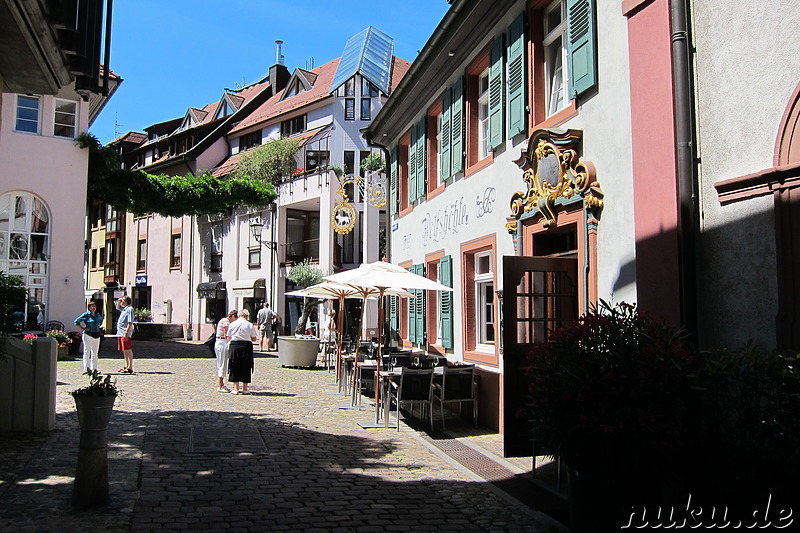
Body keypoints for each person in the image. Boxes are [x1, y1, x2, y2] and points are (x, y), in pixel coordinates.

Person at [226, 308, 258, 395]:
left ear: (239, 315)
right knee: (246, 366)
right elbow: (254, 338)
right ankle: (245, 388)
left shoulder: (233, 324)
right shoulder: (249, 325)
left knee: (234, 365)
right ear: (247, 316)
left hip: (234, 346)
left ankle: (235, 388)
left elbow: (228, 336)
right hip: (246, 346)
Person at [74, 300, 104, 374]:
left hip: (96, 335)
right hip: (88, 334)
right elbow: (76, 321)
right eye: (92, 306)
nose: (93, 308)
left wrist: (100, 327)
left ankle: (94, 368)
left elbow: (101, 321)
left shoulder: (97, 315)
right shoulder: (86, 315)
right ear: (89, 308)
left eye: (94, 306)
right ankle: (86, 368)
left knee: (95, 352)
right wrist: (83, 328)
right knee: (87, 351)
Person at [214, 309, 237, 393]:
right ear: (233, 316)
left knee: (221, 363)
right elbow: (226, 335)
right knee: (222, 363)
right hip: (222, 342)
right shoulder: (226, 322)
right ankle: (220, 385)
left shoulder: (223, 320)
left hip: (219, 342)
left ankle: (222, 383)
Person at [116, 296, 135, 373]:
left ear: (127, 302)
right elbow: (117, 308)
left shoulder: (130, 309)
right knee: (124, 350)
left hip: (125, 332)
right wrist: (119, 301)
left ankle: (130, 367)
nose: (122, 302)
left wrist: (126, 333)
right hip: (120, 332)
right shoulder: (124, 309)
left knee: (128, 349)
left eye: (123, 301)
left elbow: (130, 322)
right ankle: (126, 365)